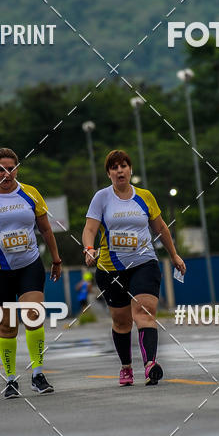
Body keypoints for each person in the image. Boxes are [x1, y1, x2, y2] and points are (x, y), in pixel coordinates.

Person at [0, 147, 62, 397]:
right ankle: (10, 379)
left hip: (29, 264)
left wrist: (56, 259)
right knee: (7, 326)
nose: (7, 173)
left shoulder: (30, 193)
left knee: (33, 315)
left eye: (11, 168)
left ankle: (38, 374)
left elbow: (46, 229)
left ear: (17, 169)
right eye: (1, 169)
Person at [82, 149, 186, 387]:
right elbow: (90, 228)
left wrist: (174, 255)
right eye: (114, 167)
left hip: (144, 262)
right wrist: (88, 248)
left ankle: (150, 365)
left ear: (130, 170)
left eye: (124, 166)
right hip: (111, 269)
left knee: (145, 313)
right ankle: (126, 367)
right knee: (122, 322)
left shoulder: (145, 196)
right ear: (109, 173)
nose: (120, 170)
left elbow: (161, 228)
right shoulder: (102, 198)